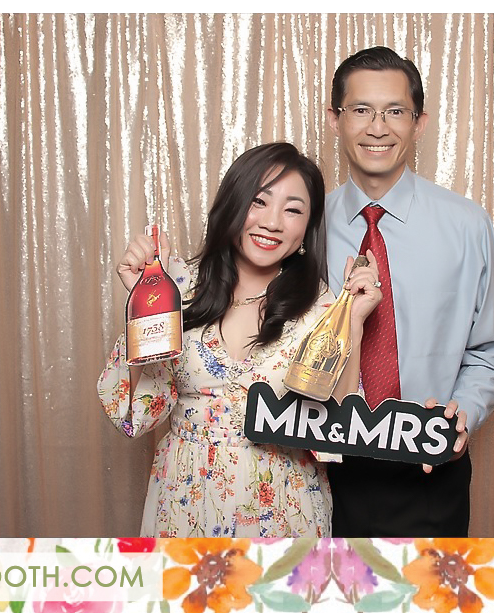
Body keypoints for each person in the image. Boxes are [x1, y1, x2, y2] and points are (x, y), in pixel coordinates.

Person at [96, 142, 383, 535]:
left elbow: (336, 431)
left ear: (307, 229)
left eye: (293, 210)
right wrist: (145, 306)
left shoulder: (321, 306)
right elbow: (135, 414)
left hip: (285, 506)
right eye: (259, 201)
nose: (273, 222)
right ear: (232, 203)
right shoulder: (177, 286)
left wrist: (354, 321)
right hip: (184, 501)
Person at [322, 46, 494, 533]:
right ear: (335, 119)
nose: (377, 128)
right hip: (319, 470)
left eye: (395, 112)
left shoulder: (467, 225)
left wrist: (460, 415)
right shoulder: (305, 225)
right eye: (361, 110)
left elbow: (489, 350)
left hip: (429, 468)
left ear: (419, 124)